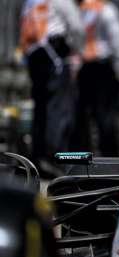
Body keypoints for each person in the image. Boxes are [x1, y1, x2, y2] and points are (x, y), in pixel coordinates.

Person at [19, 0, 84, 175]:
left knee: (40, 107)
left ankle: (37, 156)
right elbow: (77, 27)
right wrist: (77, 50)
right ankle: (54, 158)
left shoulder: (30, 2)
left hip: (35, 54)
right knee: (59, 108)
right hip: (56, 54)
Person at [71, 0, 119, 156]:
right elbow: (118, 41)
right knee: (104, 117)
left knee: (83, 118)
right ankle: (109, 158)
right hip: (102, 68)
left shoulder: (79, 11)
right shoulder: (106, 9)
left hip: (89, 67)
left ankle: (83, 158)